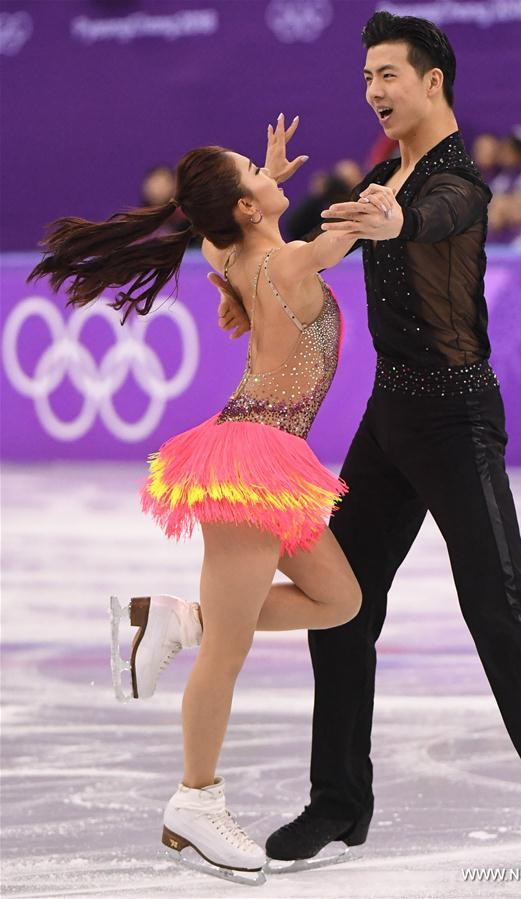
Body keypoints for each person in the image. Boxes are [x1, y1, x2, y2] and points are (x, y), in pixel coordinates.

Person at [125, 11, 521, 890]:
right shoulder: (384, 170)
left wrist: (394, 222)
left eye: (389, 74)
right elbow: (268, 245)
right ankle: (339, 799)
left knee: (499, 605)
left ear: (433, 81)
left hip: (457, 417)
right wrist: (291, 199)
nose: (374, 91)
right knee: (345, 607)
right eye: (365, 79)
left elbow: (440, 214)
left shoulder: (451, 179)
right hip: (390, 420)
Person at [25, 121, 363, 884]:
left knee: (339, 598)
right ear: (243, 206)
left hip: (265, 455)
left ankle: (173, 618)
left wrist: (259, 185)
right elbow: (361, 223)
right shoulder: (288, 255)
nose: (267, 166)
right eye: (254, 166)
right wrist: (410, 170)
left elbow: (220, 236)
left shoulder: (235, 249)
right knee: (229, 650)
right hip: (253, 457)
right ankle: (195, 801)